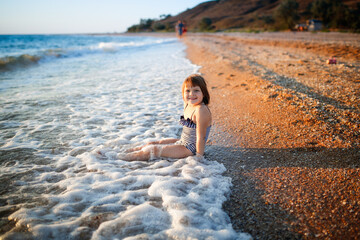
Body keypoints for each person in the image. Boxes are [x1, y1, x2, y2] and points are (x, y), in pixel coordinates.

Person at [121, 74, 212, 161]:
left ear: (203, 93)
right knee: (152, 144)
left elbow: (201, 137)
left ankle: (121, 159)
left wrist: (199, 158)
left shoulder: (201, 111)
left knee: (154, 150)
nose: (191, 94)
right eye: (187, 91)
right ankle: (120, 153)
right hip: (183, 142)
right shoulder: (188, 104)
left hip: (190, 148)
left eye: (196, 90)